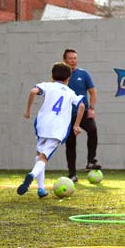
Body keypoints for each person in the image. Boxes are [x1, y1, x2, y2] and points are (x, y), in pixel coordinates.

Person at [17, 62, 85, 197]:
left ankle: (41, 189)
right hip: (57, 129)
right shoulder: (70, 92)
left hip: (42, 125)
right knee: (44, 157)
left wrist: (27, 111)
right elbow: (81, 106)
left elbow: (33, 91)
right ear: (68, 78)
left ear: (52, 76)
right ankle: (31, 175)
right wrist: (76, 125)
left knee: (39, 154)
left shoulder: (47, 85)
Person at [63, 48, 101, 183]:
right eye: (70, 58)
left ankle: (91, 161)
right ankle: (72, 174)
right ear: (65, 60)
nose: (73, 60)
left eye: (75, 58)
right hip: (67, 116)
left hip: (83, 112)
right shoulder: (62, 76)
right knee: (70, 144)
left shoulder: (83, 74)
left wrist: (91, 108)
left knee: (93, 129)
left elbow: (92, 92)